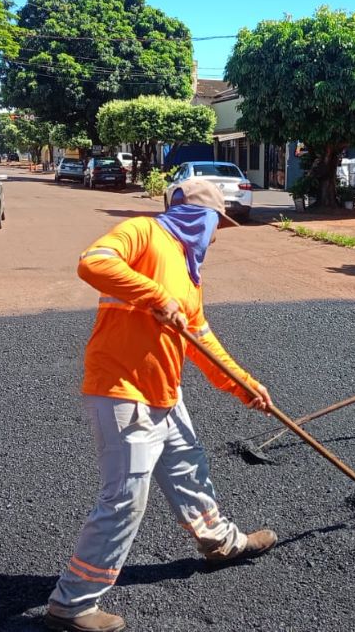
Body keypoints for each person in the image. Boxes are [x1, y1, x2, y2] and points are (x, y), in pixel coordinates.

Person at [44, 178, 277, 632]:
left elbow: (201, 339)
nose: (215, 236)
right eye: (216, 225)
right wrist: (155, 295)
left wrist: (245, 385)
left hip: (164, 392)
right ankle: (71, 603)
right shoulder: (143, 233)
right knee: (125, 499)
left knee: (190, 469)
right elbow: (92, 263)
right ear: (200, 216)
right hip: (123, 390)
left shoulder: (189, 270)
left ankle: (220, 542)